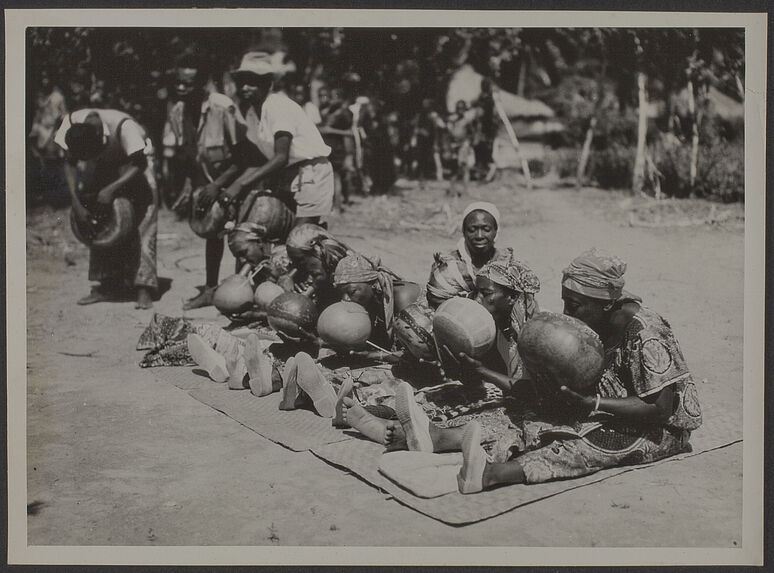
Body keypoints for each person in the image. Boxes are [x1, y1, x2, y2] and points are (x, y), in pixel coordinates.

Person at [386, 249, 703, 494]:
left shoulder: (648, 335)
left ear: (607, 303)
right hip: (602, 405)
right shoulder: (592, 323)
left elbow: (661, 409)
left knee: (587, 445)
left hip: (660, 430)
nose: (567, 313)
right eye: (566, 302)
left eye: (575, 305)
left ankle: (492, 474)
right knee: (526, 412)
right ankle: (439, 438)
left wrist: (592, 406)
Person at [162, 54, 261, 311]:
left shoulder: (222, 107)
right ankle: (210, 289)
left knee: (242, 238)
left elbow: (245, 157)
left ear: (203, 82)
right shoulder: (177, 112)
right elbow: (189, 156)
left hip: (240, 178)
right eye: (178, 82)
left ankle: (246, 294)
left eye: (189, 83)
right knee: (212, 233)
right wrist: (189, 187)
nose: (182, 88)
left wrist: (219, 185)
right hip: (210, 181)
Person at [214, 51, 335, 229]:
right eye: (241, 82)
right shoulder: (251, 113)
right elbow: (254, 159)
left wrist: (240, 184)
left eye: (252, 82)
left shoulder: (277, 106)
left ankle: (338, 253)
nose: (245, 87)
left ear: (268, 84)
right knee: (269, 239)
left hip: (310, 173)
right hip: (285, 176)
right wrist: (224, 185)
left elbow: (280, 157)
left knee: (300, 241)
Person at [55, 107, 159, 309]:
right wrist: (76, 203)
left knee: (144, 222)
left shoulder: (125, 127)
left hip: (136, 165)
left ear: (98, 141)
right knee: (100, 221)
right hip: (105, 165)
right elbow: (69, 163)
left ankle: (143, 287)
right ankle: (108, 284)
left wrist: (112, 189)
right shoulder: (70, 123)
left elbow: (140, 163)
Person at [426, 201, 508, 308]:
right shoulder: (449, 265)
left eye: (486, 229)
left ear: (496, 231)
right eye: (472, 229)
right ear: (463, 231)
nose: (479, 236)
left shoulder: (505, 263)